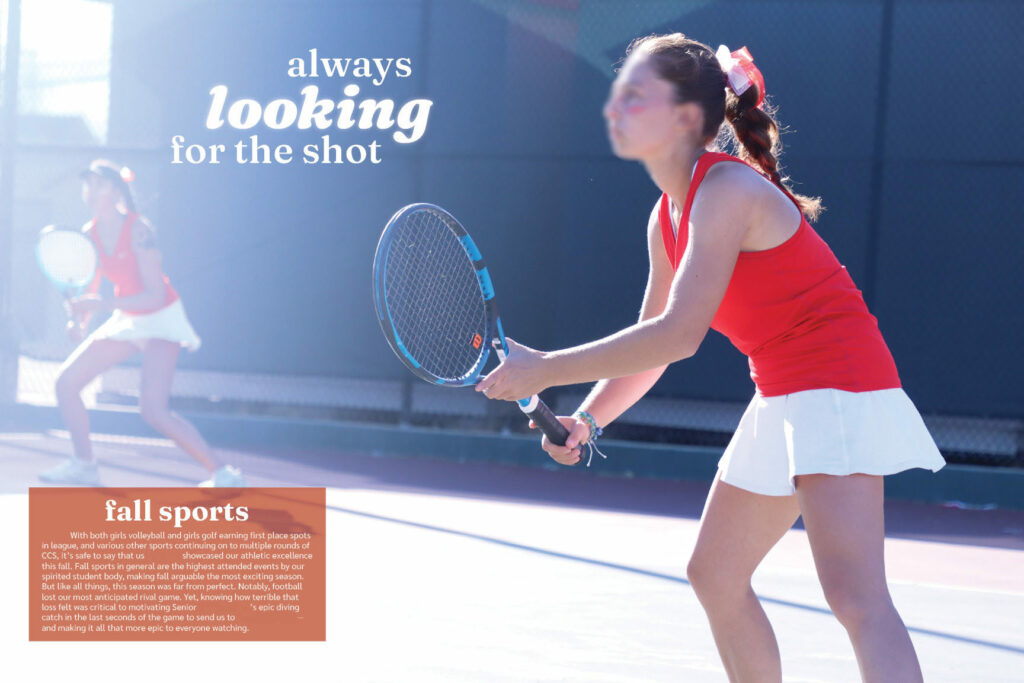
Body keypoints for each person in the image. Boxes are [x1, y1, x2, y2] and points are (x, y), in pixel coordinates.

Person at [475, 34, 944, 682]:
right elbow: (651, 341)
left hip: (839, 381)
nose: (617, 105)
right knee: (715, 573)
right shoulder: (666, 214)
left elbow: (679, 335)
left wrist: (545, 366)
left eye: (637, 94)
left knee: (856, 597)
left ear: (685, 119)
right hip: (782, 386)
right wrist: (589, 417)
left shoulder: (724, 191)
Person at [38, 159, 245, 488]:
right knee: (66, 383)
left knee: (153, 411)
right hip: (128, 317)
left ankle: (223, 474)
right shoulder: (89, 234)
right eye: (88, 183)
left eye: (100, 184)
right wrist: (81, 322)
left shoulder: (139, 230)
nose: (91, 190)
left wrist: (103, 304)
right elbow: (91, 289)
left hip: (161, 316)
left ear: (117, 191)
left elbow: (154, 295)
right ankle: (84, 464)